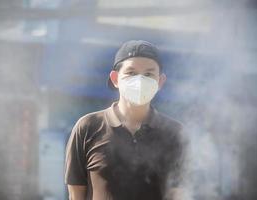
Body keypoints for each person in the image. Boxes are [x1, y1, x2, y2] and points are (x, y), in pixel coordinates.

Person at [65, 40, 190, 200]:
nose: (139, 81)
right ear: (115, 79)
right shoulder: (88, 127)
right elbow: (75, 195)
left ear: (160, 82)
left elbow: (179, 194)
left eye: (148, 74)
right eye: (131, 73)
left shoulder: (175, 133)